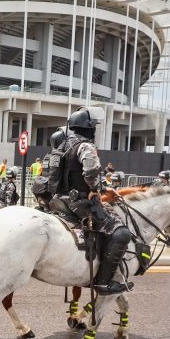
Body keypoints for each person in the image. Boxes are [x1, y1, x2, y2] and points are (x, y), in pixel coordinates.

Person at [55, 107, 133, 296]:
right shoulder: (85, 146)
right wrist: (95, 189)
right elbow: (90, 173)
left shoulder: (62, 146)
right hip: (80, 202)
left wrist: (104, 189)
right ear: (89, 128)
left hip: (60, 201)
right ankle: (104, 283)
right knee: (121, 233)